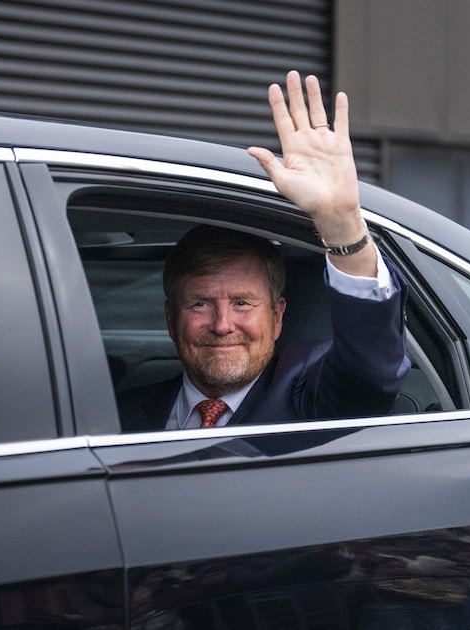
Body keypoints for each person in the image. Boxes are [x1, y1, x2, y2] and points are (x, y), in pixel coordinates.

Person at [117, 71, 411, 432]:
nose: (222, 325)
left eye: (242, 303)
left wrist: (341, 222)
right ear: (170, 318)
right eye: (200, 304)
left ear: (277, 317)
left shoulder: (308, 395)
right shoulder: (119, 416)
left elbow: (372, 375)